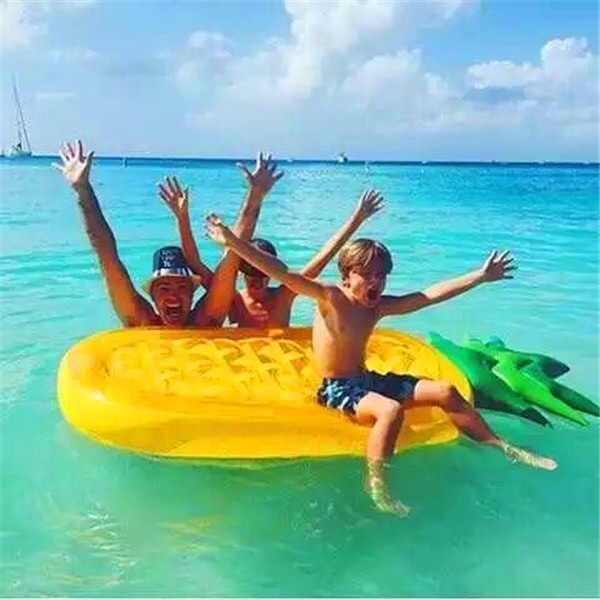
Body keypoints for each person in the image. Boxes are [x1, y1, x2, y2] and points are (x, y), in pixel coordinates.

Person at [204, 208, 558, 515]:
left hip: (367, 380)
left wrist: (479, 276)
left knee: (446, 391)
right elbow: (283, 274)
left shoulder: (376, 307)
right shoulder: (330, 298)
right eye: (367, 274)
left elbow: (428, 296)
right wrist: (233, 242)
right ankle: (377, 483)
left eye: (381, 275)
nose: (376, 281)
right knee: (390, 411)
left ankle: (501, 446)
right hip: (337, 389)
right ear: (347, 276)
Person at [54, 140, 282, 327]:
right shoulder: (141, 322)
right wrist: (83, 189)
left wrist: (255, 196)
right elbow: (107, 257)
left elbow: (232, 257)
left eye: (181, 287)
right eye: (164, 288)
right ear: (152, 296)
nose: (173, 296)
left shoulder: (206, 320)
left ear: (193, 294)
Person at [159, 178, 385, 327]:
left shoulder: (283, 296)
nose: (257, 279)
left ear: (271, 271)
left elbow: (321, 260)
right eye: (250, 272)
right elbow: (193, 262)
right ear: (241, 272)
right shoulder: (234, 300)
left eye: (263, 272)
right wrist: (181, 217)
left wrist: (357, 219)